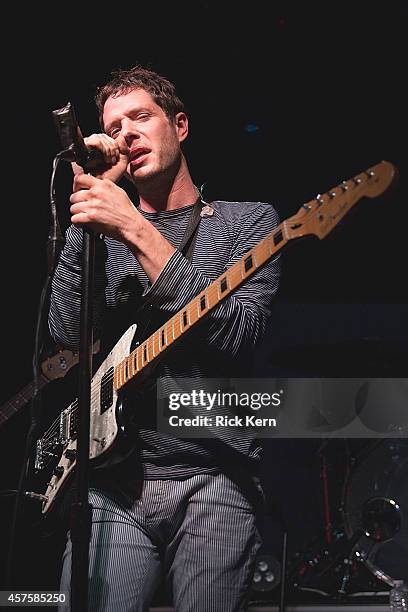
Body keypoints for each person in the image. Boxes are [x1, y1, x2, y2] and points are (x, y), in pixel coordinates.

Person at [49, 64, 281, 611]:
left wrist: (133, 226)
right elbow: (64, 331)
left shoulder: (246, 223)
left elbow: (238, 335)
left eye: (141, 117)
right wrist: (92, 214)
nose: (126, 133)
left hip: (214, 477)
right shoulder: (101, 227)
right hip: (115, 483)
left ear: (179, 125)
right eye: (113, 125)